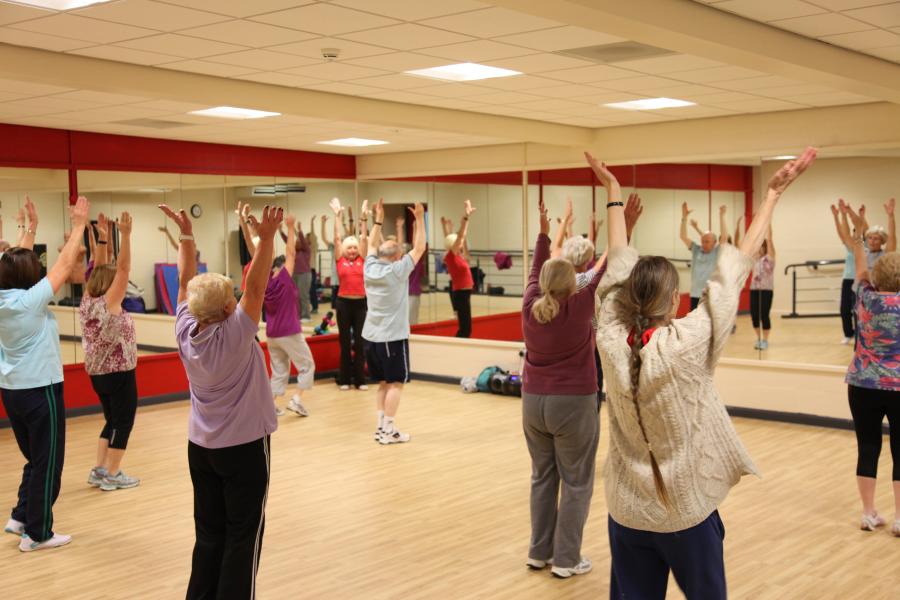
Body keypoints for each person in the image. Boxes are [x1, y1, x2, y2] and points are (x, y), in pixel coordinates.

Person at [589, 147, 816, 599]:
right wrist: (770, 196)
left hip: (627, 512)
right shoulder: (686, 346)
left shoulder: (610, 338)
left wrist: (613, 192)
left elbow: (616, 261)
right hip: (685, 513)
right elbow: (732, 273)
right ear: (673, 302)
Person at [161, 202, 280, 599]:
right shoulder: (235, 334)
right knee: (242, 538)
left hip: (201, 449)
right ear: (230, 308)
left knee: (209, 535)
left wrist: (187, 234)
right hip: (243, 449)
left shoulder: (183, 327)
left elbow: (183, 281)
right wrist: (265, 241)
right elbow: (258, 288)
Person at [521, 195, 605, 579]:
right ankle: (567, 559)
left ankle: (539, 553)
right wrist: (627, 225)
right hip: (573, 404)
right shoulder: (580, 305)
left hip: (532, 403)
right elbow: (607, 264)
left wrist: (543, 231)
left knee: (543, 476)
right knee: (576, 482)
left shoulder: (530, 304)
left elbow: (537, 268)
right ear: (573, 282)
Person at [1, 195, 91, 552]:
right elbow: (66, 265)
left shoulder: (7, 297)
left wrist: (29, 227)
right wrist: (80, 225)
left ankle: (21, 515)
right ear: (29, 280)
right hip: (41, 392)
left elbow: (14, 265)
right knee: (49, 465)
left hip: (12, 391)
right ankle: (37, 534)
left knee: (36, 459)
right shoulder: (29, 302)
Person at [841, 201, 900, 535]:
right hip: (898, 387)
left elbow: (861, 265)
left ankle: (868, 512)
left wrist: (859, 231)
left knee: (868, 448)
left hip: (862, 386)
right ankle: (899, 518)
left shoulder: (865, 296)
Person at [80, 211, 141, 492]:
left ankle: (100, 469)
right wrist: (126, 235)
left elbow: (99, 266)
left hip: (97, 372)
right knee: (123, 421)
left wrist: (104, 237)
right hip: (118, 372)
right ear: (110, 285)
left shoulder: (88, 300)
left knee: (112, 420)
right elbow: (124, 269)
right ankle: (113, 474)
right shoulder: (109, 304)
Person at [362, 199, 427, 444]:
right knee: (396, 384)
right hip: (391, 338)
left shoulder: (369, 266)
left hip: (371, 338)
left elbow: (369, 243)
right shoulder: (398, 270)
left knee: (382, 383)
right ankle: (388, 430)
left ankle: (381, 427)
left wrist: (378, 219)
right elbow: (420, 248)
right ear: (398, 255)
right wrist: (419, 218)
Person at [266, 213, 314, 418]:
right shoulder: (283, 280)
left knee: (279, 371)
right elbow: (291, 253)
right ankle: (296, 400)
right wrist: (291, 227)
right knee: (307, 366)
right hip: (289, 332)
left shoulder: (264, 284)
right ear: (279, 268)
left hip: (271, 335)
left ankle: (269, 406)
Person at [330, 197, 369, 390]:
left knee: (360, 343)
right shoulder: (340, 260)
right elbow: (336, 239)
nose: (353, 250)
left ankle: (360, 380)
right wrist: (337, 217)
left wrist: (363, 218)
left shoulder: (362, 259)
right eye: (350, 247)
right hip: (343, 304)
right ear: (345, 249)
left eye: (355, 247)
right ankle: (345, 379)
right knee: (345, 343)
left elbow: (363, 238)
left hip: (361, 304)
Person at [679, 201, 728, 310]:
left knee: (709, 325)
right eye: (703, 241)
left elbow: (724, 237)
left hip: (711, 295)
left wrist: (721, 216)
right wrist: (684, 218)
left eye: (707, 241)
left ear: (714, 242)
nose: (704, 243)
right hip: (695, 294)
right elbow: (683, 236)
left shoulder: (716, 252)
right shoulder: (696, 249)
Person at [736, 222, 776, 350]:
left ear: (764, 248)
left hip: (766, 290)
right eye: (758, 247)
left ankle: (765, 340)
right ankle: (758, 338)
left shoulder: (770, 258)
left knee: (764, 315)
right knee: (754, 316)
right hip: (754, 290)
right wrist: (739, 228)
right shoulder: (754, 260)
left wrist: (767, 224)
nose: (759, 249)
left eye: (761, 247)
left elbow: (770, 240)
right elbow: (741, 246)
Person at [444, 200, 476, 337]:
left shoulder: (459, 257)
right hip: (461, 294)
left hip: (465, 293)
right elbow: (461, 235)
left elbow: (461, 237)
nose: (462, 243)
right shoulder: (451, 256)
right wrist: (466, 217)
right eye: (459, 242)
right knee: (465, 328)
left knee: (466, 326)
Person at [832, 203, 858, 344]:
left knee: (858, 311)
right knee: (844, 309)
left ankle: (860, 335)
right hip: (847, 280)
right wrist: (837, 217)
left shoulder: (864, 248)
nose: (853, 236)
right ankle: (848, 334)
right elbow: (842, 233)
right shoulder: (849, 247)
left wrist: (846, 214)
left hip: (860, 281)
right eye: (852, 234)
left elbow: (846, 233)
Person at [396, 214, 426, 325]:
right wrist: (399, 228)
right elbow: (399, 247)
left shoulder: (414, 262)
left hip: (412, 294)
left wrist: (415, 228)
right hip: (402, 294)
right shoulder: (399, 262)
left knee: (411, 322)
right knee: (403, 322)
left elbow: (416, 245)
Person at [280, 218, 312, 321]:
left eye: (298, 241)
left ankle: (306, 316)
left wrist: (299, 230)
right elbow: (287, 240)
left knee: (303, 295)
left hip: (304, 275)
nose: (296, 243)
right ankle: (297, 315)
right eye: (295, 242)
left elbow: (302, 240)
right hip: (295, 274)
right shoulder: (294, 252)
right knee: (295, 296)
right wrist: (280, 231)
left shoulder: (306, 251)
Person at [308, 215, 320, 314]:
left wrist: (312, 223)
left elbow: (312, 235)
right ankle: (310, 307)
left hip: (311, 271)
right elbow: (297, 235)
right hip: (304, 271)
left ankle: (315, 307)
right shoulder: (304, 249)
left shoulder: (313, 248)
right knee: (305, 291)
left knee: (312, 290)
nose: (308, 239)